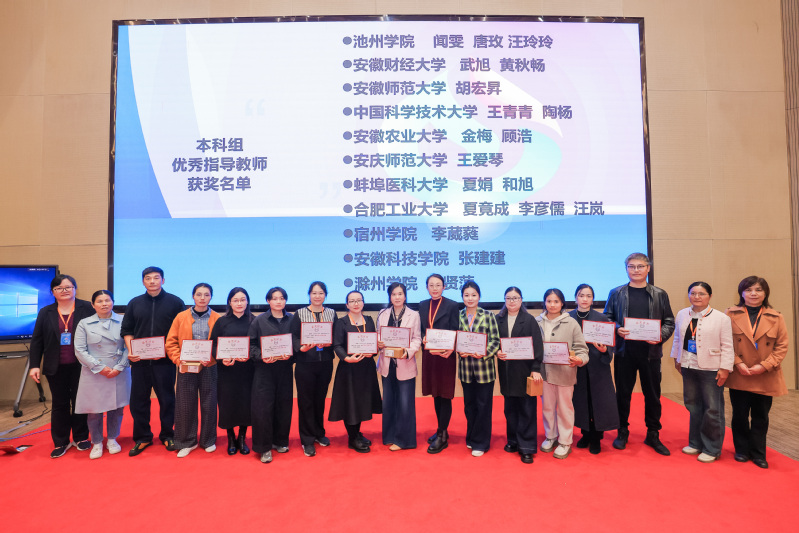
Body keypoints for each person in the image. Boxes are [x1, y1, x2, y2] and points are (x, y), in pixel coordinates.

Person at [603, 253, 675, 455]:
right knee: (622, 394)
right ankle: (622, 431)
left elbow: (669, 321)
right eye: (631, 266)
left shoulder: (660, 294)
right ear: (626, 269)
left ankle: (653, 433)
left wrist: (660, 336)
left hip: (651, 353)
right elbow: (607, 318)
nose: (636, 270)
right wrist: (617, 328)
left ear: (648, 268)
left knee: (652, 395)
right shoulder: (616, 293)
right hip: (624, 352)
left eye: (640, 266)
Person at [121, 266, 186, 456]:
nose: (152, 281)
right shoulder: (134, 303)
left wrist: (167, 351)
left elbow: (181, 333)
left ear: (163, 280)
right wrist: (131, 351)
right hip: (139, 362)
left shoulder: (175, 302)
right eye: (148, 278)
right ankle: (143, 437)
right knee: (138, 401)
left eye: (156, 278)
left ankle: (168, 435)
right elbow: (127, 330)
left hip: (164, 362)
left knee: (167, 400)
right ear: (143, 282)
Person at [725, 276, 788, 469]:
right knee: (740, 415)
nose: (753, 293)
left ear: (765, 293)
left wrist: (764, 366)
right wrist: (737, 363)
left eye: (758, 289)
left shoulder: (776, 317)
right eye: (749, 289)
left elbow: (782, 347)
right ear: (741, 293)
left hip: (765, 374)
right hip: (740, 373)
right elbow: (724, 342)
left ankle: (759, 453)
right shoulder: (730, 314)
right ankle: (742, 450)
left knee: (761, 416)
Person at [29, 274, 93, 458]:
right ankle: (61, 441)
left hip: (81, 365)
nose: (64, 291)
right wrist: (34, 365)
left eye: (68, 287)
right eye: (59, 288)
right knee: (59, 404)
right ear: (53, 292)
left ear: (75, 289)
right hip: (55, 366)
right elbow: (37, 340)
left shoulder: (87, 308)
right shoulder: (45, 312)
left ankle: (81, 437)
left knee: (80, 402)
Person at [670, 282, 734, 463]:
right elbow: (677, 338)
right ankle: (695, 443)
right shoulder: (682, 314)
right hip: (688, 366)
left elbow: (727, 346)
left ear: (710, 296)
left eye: (701, 293)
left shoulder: (721, 318)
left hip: (711, 368)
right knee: (693, 406)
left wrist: (725, 368)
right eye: (693, 293)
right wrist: (677, 359)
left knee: (712, 409)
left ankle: (712, 449)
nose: (697, 297)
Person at [74, 290, 131, 459]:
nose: (104, 304)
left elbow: (129, 346)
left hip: (118, 370)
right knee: (94, 410)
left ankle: (112, 439)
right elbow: (79, 350)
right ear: (93, 305)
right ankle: (97, 442)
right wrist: (100, 368)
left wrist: (120, 367)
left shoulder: (124, 320)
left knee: (117, 408)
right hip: (94, 372)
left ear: (113, 302)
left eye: (107, 300)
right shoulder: (84, 323)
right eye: (100, 301)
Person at [165, 283, 219, 458]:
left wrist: (212, 357)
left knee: (209, 404)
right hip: (186, 366)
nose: (202, 298)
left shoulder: (217, 318)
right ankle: (187, 441)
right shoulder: (181, 317)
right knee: (185, 404)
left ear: (211, 297)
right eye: (199, 294)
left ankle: (208, 440)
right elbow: (171, 342)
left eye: (206, 295)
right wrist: (178, 359)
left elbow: (221, 343)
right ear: (193, 296)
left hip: (209, 366)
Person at [536, 288, 588, 460]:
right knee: (547, 407)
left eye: (556, 301)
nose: (552, 305)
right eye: (549, 301)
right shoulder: (537, 322)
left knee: (565, 408)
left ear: (562, 303)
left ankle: (565, 441)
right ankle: (550, 436)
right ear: (544, 302)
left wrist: (579, 359)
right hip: (544, 373)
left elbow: (582, 349)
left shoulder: (571, 323)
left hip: (565, 373)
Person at [569, 284, 619, 455]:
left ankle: (597, 437)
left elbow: (609, 345)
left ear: (593, 299)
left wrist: (605, 350)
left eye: (588, 296)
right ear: (575, 298)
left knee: (598, 401)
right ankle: (585, 434)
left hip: (598, 367)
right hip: (576, 366)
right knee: (581, 401)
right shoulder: (568, 318)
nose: (584, 299)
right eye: (581, 295)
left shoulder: (602, 318)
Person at [329, 290, 382, 453]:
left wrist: (374, 351)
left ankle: (357, 433)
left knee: (362, 402)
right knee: (350, 403)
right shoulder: (341, 322)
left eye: (359, 300)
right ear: (347, 305)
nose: (356, 304)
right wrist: (346, 358)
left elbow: (374, 343)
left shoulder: (369, 320)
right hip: (349, 369)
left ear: (363, 303)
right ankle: (352, 438)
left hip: (366, 369)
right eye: (352, 301)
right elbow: (337, 345)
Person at [496, 286, 543, 464]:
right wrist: (496, 352)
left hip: (524, 371)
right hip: (506, 371)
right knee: (510, 408)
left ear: (521, 300)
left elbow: (537, 345)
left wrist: (536, 368)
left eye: (515, 298)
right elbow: (493, 341)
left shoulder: (529, 320)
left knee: (526, 409)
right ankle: (513, 440)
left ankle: (527, 447)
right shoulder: (498, 319)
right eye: (508, 298)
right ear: (504, 300)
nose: (512, 301)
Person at [290, 281, 337, 457]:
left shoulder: (331, 313)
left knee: (320, 400)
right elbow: (293, 337)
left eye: (321, 293)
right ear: (309, 295)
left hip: (325, 363)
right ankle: (307, 439)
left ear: (325, 295)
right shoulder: (300, 313)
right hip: (305, 364)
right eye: (314, 293)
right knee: (306, 402)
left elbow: (336, 335)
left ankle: (319, 433)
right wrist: (300, 348)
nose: (317, 296)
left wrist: (330, 343)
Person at [249, 287, 294, 464]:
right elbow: (251, 345)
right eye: (274, 298)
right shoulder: (259, 320)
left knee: (284, 406)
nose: (278, 301)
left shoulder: (292, 319)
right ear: (268, 301)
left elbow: (297, 342)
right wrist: (262, 356)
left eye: (282, 298)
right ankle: (264, 448)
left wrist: (291, 355)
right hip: (264, 371)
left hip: (285, 369)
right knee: (263, 409)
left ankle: (280, 441)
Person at [456, 281, 500, 457]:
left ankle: (481, 442)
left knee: (483, 406)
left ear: (479, 296)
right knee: (469, 405)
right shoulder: (458, 315)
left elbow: (495, 341)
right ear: (462, 297)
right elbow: (454, 339)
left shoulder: (488, 315)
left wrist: (484, 353)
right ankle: (472, 436)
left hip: (484, 370)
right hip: (466, 369)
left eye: (473, 295)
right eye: (466, 295)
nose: (470, 298)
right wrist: (458, 349)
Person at [376, 282, 422, 451]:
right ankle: (389, 436)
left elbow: (417, 338)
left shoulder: (414, 315)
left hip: (405, 363)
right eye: (394, 294)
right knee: (388, 402)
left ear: (405, 296)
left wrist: (408, 351)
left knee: (405, 403)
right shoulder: (382, 314)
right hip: (387, 365)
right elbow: (378, 334)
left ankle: (404, 440)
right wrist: (379, 342)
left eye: (400, 294)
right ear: (390, 296)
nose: (397, 297)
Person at [210, 287, 255, 456]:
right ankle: (230, 437)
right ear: (230, 302)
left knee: (245, 403)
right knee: (227, 403)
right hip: (226, 371)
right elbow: (213, 345)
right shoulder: (221, 322)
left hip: (247, 370)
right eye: (235, 300)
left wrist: (250, 355)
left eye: (242, 300)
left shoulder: (254, 320)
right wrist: (221, 358)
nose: (239, 303)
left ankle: (242, 437)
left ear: (247, 301)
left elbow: (258, 344)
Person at [418, 273, 460, 454]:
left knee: (445, 395)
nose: (434, 288)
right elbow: (421, 330)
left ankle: (442, 435)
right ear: (427, 287)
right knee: (435, 394)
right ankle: (441, 430)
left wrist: (451, 348)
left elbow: (456, 330)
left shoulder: (452, 305)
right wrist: (422, 338)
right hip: (430, 356)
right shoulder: (422, 305)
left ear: (444, 287)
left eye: (438, 285)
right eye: (431, 285)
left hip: (445, 356)